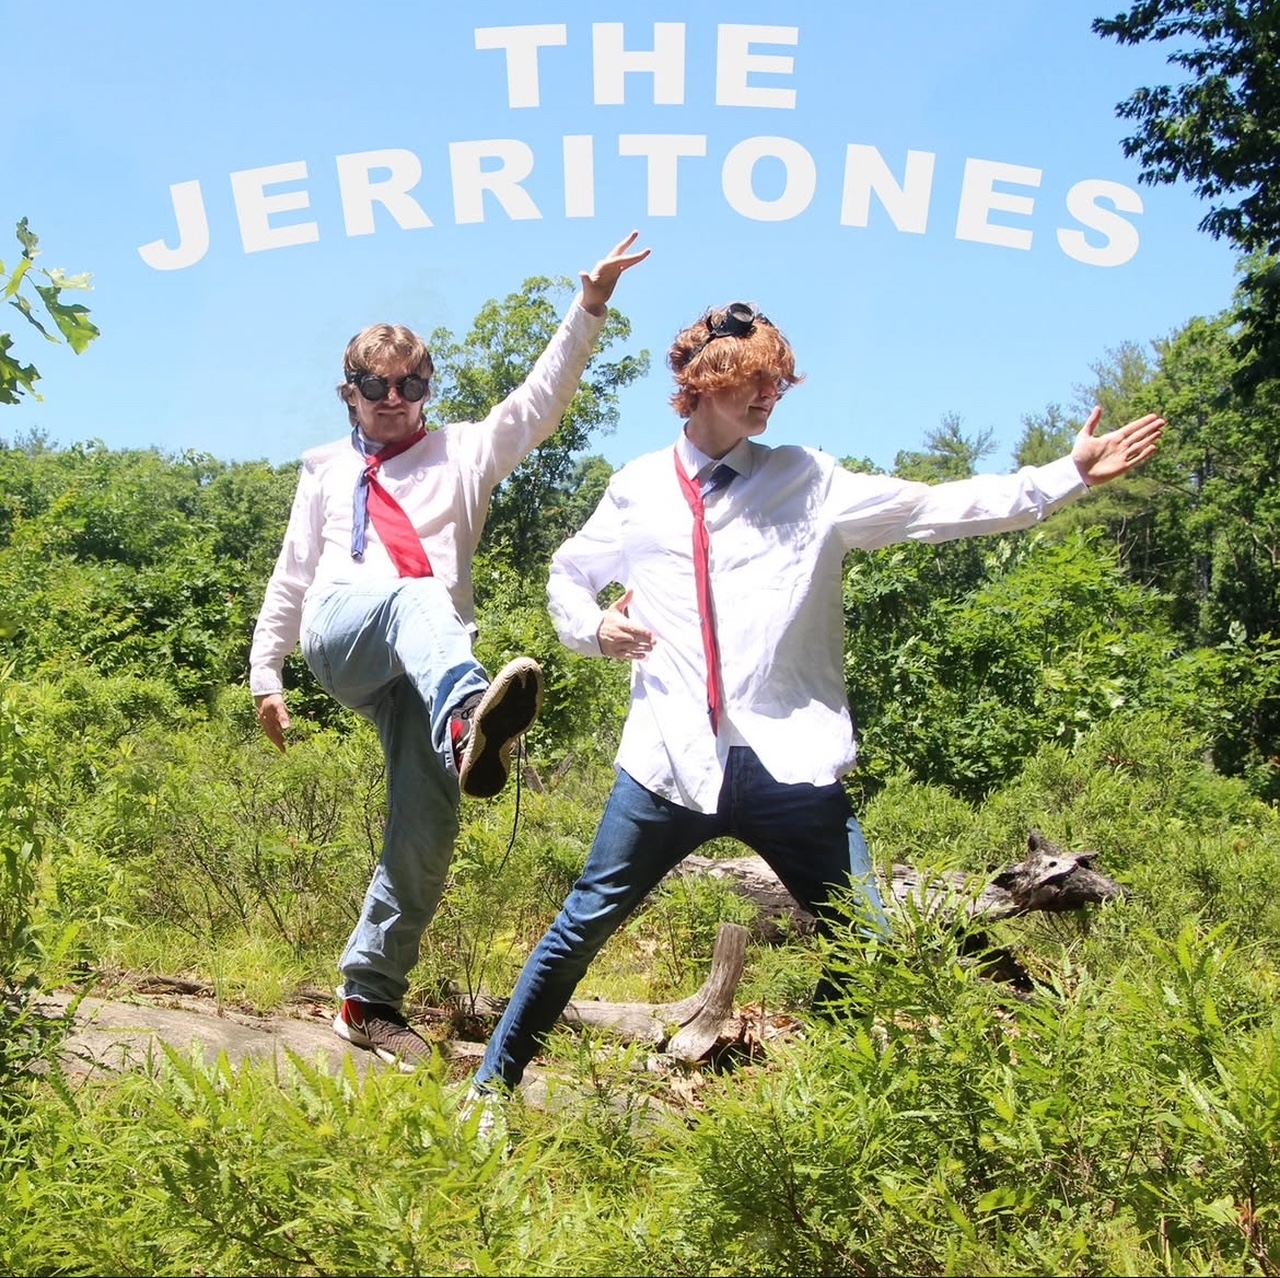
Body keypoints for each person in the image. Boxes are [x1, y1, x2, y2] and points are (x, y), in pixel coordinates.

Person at [471, 298, 1166, 1096]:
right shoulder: (638, 489)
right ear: (703, 383)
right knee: (579, 930)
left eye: (778, 382)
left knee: (868, 944)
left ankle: (802, 1104)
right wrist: (595, 627)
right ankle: (489, 1092)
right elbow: (568, 573)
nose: (771, 396)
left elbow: (936, 508)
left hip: (789, 771)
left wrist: (1065, 475)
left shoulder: (809, 481)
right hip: (667, 764)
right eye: (755, 381)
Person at [247, 231, 650, 1071]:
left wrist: (590, 306)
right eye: (375, 386)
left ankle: (367, 999)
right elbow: (292, 574)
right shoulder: (324, 470)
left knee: (426, 834)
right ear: (349, 393)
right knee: (417, 595)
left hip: (424, 667)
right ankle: (470, 722)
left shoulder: (465, 452)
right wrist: (266, 674)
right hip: (345, 631)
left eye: (410, 384)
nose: (393, 399)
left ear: (428, 388)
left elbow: (541, 401)